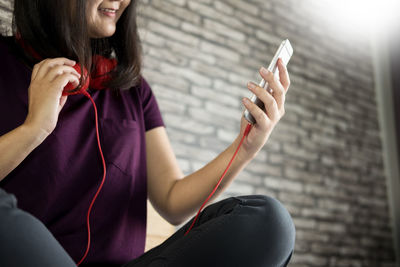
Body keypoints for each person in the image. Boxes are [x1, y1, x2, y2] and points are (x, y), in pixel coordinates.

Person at [0, 0, 295, 266]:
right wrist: (34, 128)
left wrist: (244, 148)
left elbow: (171, 200)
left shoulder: (134, 91)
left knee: (268, 220)